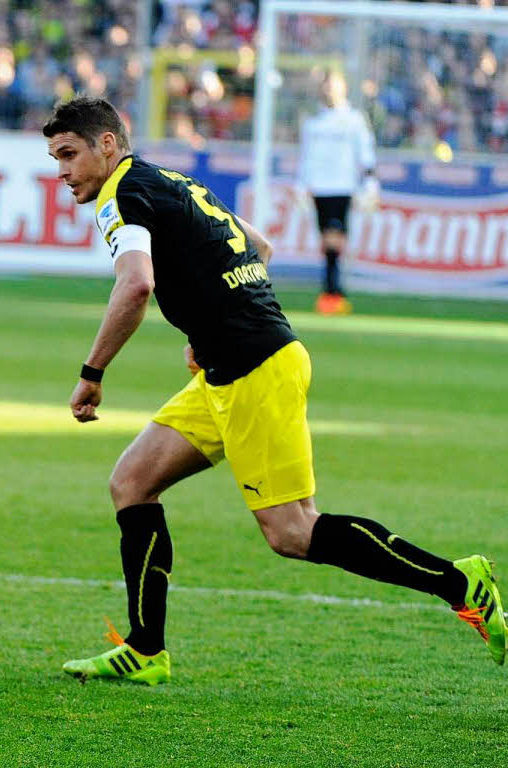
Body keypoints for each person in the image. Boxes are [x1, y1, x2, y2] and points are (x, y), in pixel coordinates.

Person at [43, 96, 505, 685]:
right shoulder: (168, 179)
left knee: (292, 531)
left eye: (69, 154)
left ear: (106, 144)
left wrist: (92, 373)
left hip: (253, 370)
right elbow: (259, 246)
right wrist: (214, 325)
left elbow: (136, 286)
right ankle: (145, 649)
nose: (62, 171)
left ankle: (459, 583)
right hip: (230, 365)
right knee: (132, 483)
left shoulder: (123, 195)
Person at [298, 71, 378, 315]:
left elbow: (365, 153)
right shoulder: (313, 123)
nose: (329, 90)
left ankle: (332, 292)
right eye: (326, 86)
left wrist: (370, 183)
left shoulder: (354, 120)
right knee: (327, 240)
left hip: (342, 186)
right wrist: (301, 186)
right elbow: (306, 158)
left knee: (335, 238)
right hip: (319, 188)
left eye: (333, 86)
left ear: (343, 88)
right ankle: (333, 292)